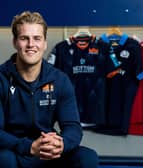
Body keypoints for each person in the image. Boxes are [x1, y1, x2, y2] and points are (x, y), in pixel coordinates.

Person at [0, 11, 98, 168]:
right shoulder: (1, 78)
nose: (31, 44)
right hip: (14, 151)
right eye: (24, 38)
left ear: (45, 43)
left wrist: (61, 144)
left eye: (37, 38)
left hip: (47, 153)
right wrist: (29, 147)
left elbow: (73, 127)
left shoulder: (60, 80)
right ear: (15, 42)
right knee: (3, 159)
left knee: (87, 158)